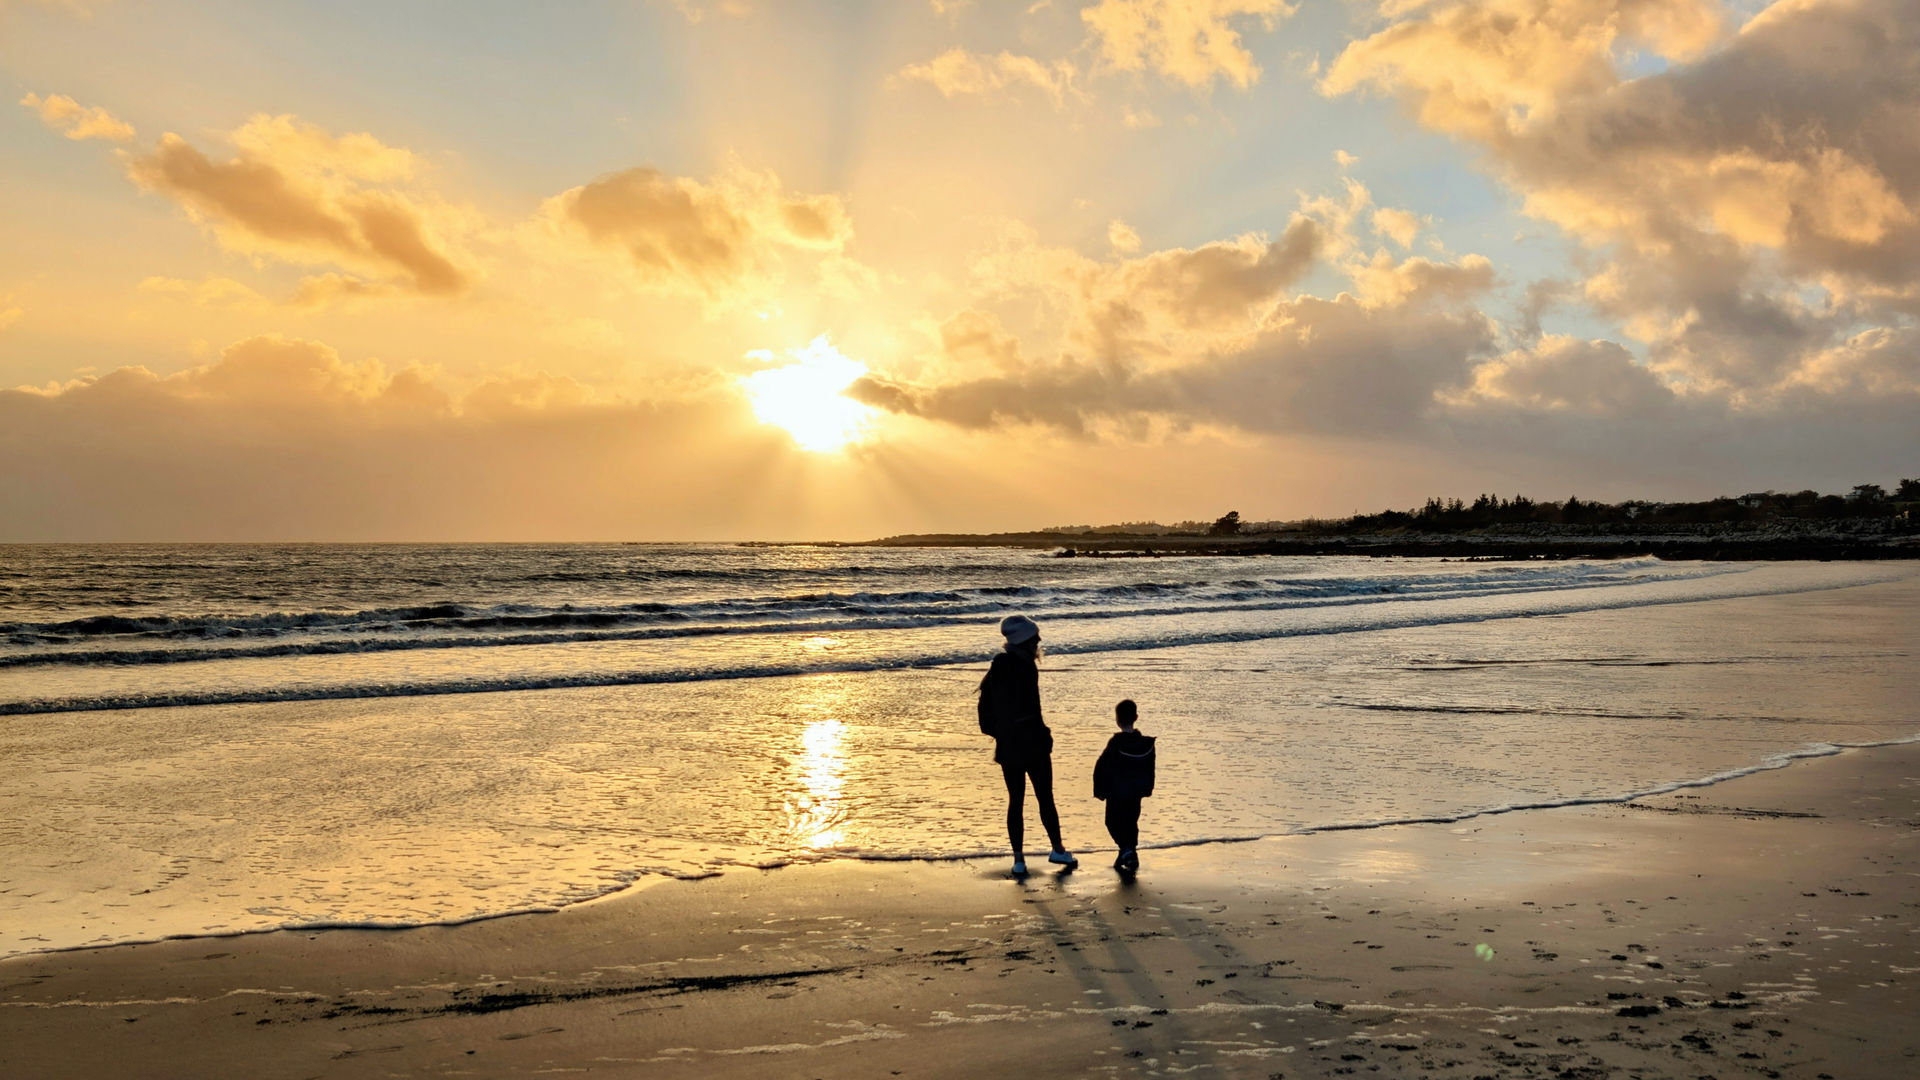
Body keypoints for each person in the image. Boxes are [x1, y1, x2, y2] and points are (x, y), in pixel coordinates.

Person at [977, 614, 1076, 876]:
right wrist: (1043, 734)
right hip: (1033, 743)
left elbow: (988, 711)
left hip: (1009, 745)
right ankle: (1057, 849)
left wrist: (1001, 734)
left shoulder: (998, 666)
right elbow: (1033, 709)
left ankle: (1019, 860)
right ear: (1026, 641)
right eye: (1035, 637)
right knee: (1045, 797)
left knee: (1016, 801)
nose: (1039, 640)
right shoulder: (1025, 667)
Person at [1092, 699, 1155, 872]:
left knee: (1111, 822)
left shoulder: (1116, 743)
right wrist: (1148, 787)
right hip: (1135, 792)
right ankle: (1128, 852)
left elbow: (1102, 766)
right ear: (1136, 717)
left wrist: (1099, 790)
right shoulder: (1145, 744)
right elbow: (1150, 767)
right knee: (1131, 822)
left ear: (1117, 720)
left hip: (1116, 792)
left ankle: (1126, 850)